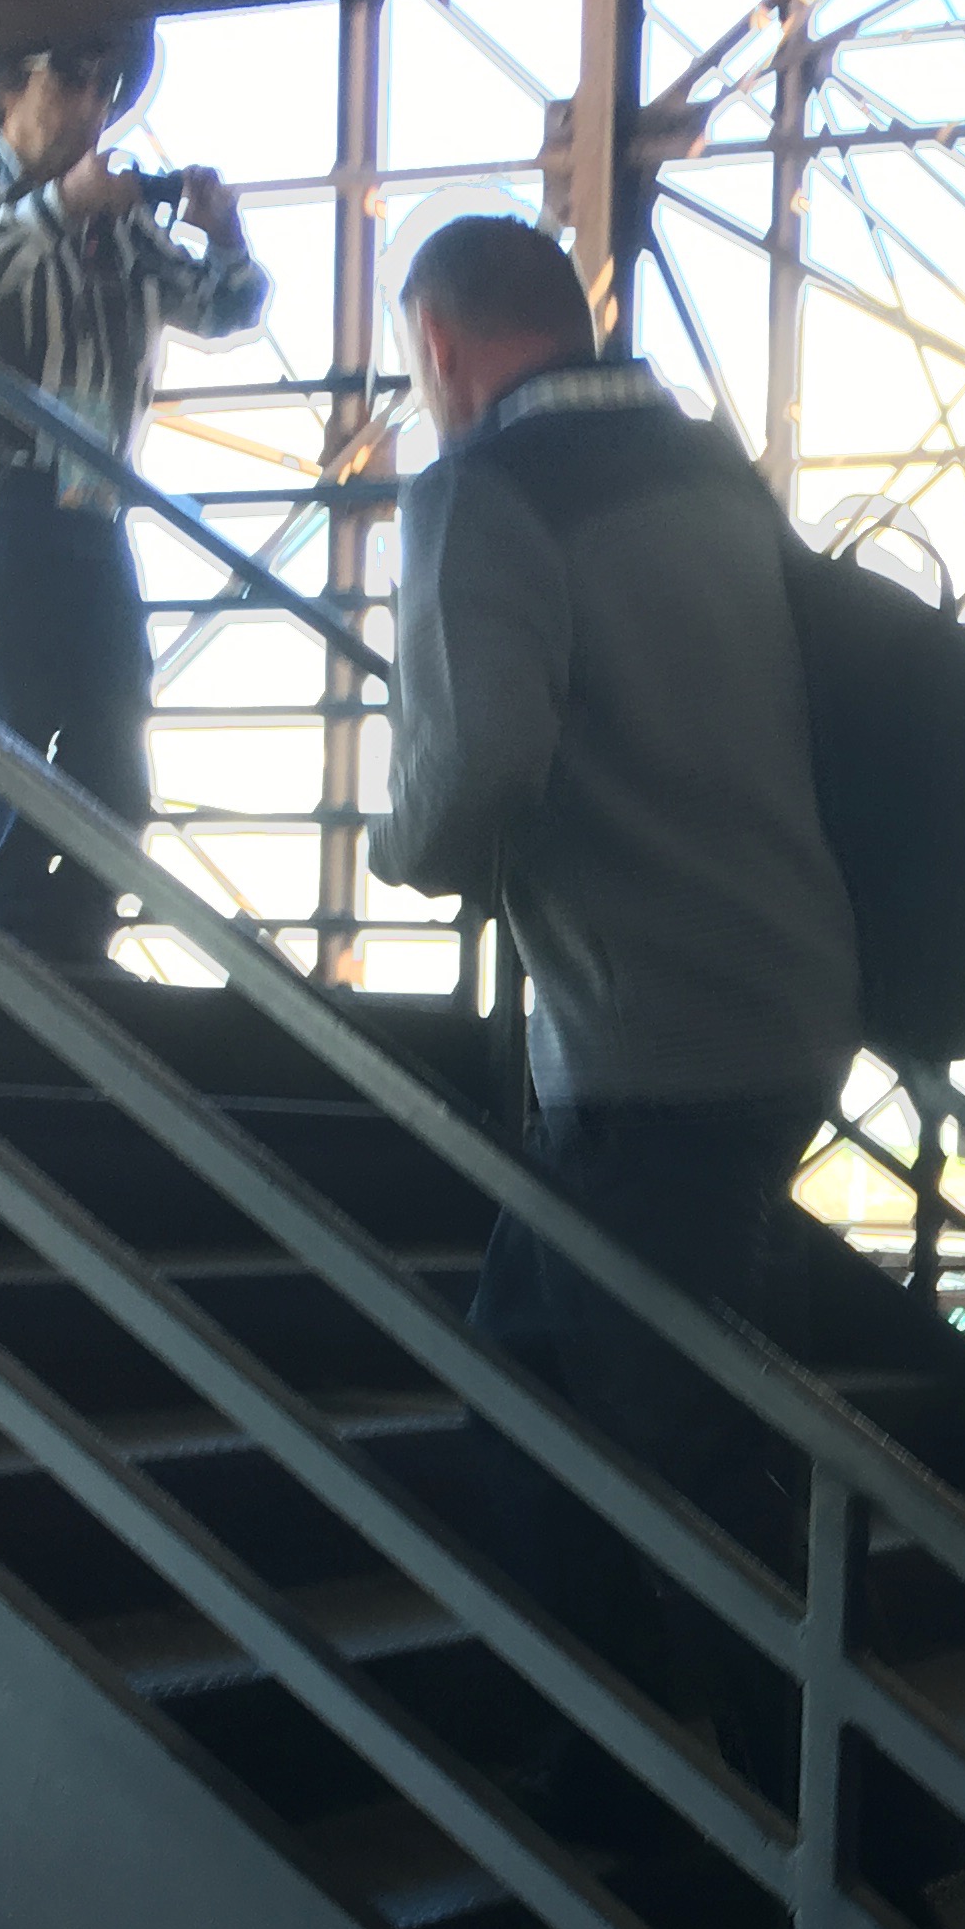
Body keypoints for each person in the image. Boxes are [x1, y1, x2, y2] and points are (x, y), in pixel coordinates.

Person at [367, 213, 859, 1813]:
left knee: (678, 1453)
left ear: (441, 346)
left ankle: (821, 1826)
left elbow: (477, 763)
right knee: (527, 1373)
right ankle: (616, 1757)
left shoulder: (483, 492)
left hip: (650, 1047)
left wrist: (399, 845)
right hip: (792, 1004)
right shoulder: (711, 471)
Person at [0, 25, 266, 955]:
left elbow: (225, 305)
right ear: (4, 87)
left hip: (89, 505)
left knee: (115, 732)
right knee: (15, 726)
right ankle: (17, 943)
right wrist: (63, 206)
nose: (94, 104)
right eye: (71, 76)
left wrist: (223, 234)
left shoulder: (124, 224)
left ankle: (70, 943)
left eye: (105, 85)